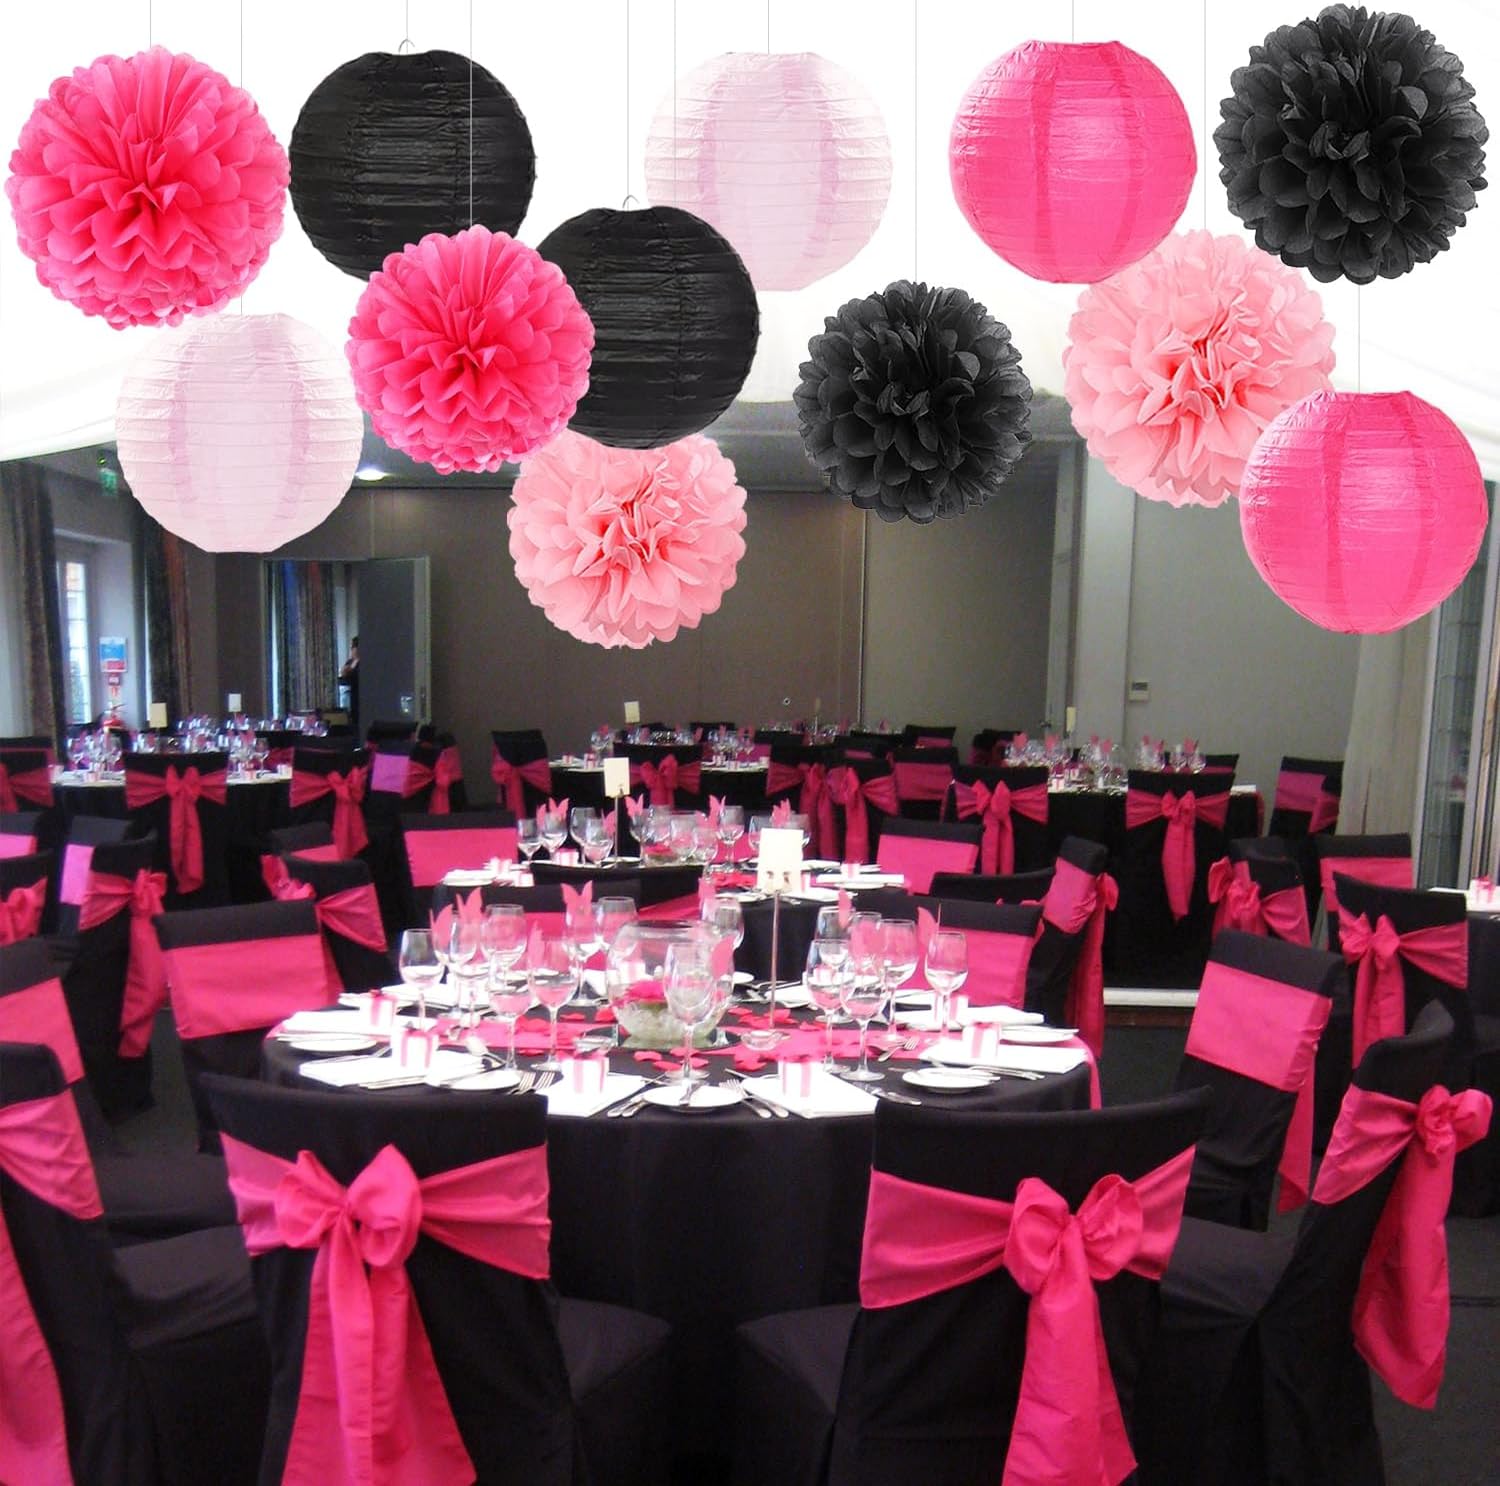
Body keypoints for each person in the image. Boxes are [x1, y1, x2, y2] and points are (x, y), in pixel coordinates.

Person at [339, 636, 359, 727]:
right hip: (349, 695)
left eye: (353, 648)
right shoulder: (350, 661)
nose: (351, 650)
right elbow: (344, 673)